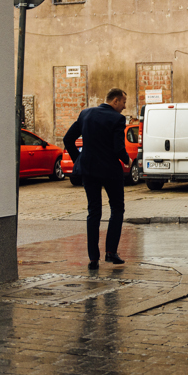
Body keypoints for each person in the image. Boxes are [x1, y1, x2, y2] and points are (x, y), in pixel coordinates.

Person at [64, 88, 131, 270]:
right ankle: (111, 252)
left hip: (89, 170)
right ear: (115, 101)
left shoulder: (86, 114)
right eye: (124, 102)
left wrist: (78, 160)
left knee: (94, 211)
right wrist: (127, 160)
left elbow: (68, 139)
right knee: (117, 208)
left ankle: (93, 258)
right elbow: (118, 149)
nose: (124, 107)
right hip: (110, 171)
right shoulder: (117, 119)